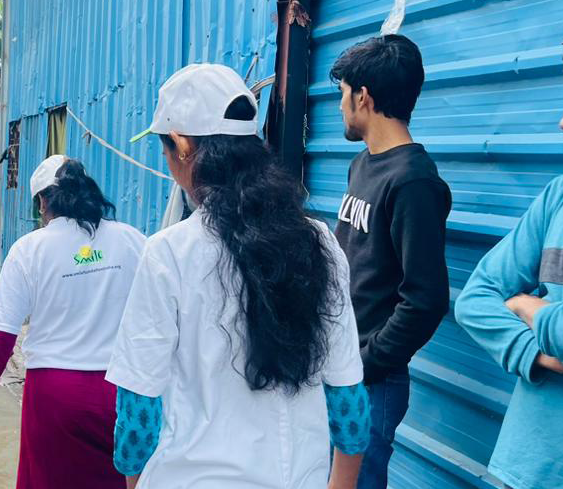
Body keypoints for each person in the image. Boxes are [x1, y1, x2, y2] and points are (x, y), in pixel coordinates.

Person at [107, 64, 370, 488]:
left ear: (181, 143)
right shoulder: (317, 241)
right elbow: (350, 406)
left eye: (165, 150)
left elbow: (139, 414)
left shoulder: (168, 254)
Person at [454, 24, 563, 489]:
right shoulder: (562, 195)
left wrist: (528, 306)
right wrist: (541, 357)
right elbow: (475, 299)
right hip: (523, 467)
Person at [0, 155, 145, 488]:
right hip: (122, 392)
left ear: (43, 201)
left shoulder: (30, 249)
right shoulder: (133, 241)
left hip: (54, 395)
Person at [327, 34, 451, 488]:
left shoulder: (413, 181)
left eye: (343, 94)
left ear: (363, 96)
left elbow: (426, 299)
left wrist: (365, 363)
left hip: (370, 384)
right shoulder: (363, 165)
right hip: (339, 369)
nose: (340, 106)